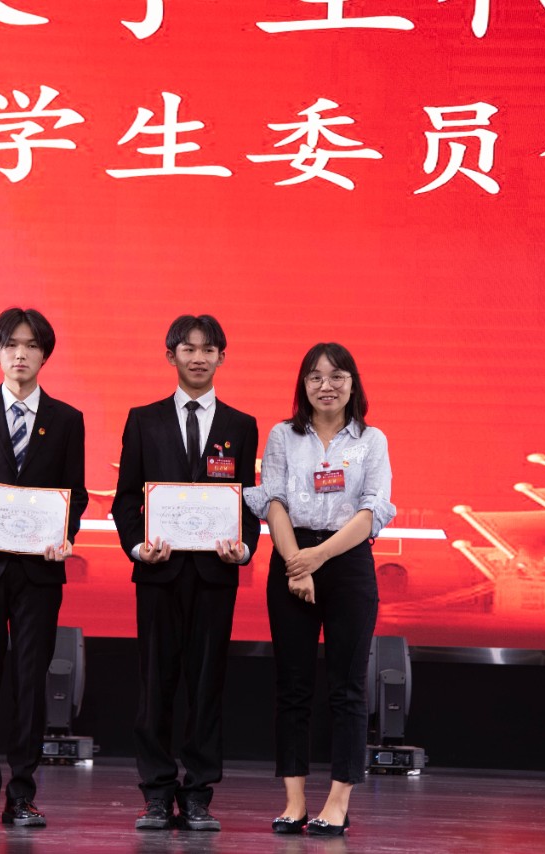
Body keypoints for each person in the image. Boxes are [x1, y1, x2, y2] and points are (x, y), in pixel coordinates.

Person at [111, 314, 260, 832]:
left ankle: (198, 794)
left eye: (208, 349)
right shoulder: (143, 420)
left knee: (206, 686)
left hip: (216, 575)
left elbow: (248, 500)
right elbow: (126, 499)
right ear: (170, 355)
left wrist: (244, 546)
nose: (198, 358)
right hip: (158, 573)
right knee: (156, 686)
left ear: (222, 357)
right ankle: (156, 794)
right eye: (188, 349)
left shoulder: (241, 426)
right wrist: (137, 546)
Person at [0, 307, 88, 828]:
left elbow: (75, 493)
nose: (20, 354)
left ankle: (22, 794)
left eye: (31, 345)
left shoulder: (67, 420)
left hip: (39, 574)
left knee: (31, 684)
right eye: (11, 345)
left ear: (45, 354)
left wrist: (64, 535)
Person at [244, 342, 396, 837]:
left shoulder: (371, 440)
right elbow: (273, 502)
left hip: (347, 561)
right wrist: (296, 564)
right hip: (292, 557)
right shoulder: (283, 436)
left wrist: (318, 558)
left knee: (347, 688)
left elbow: (372, 510)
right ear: (303, 385)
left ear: (353, 384)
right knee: (292, 687)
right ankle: (293, 801)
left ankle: (337, 801)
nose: (325, 386)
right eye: (315, 377)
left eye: (336, 376)